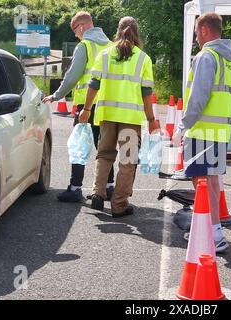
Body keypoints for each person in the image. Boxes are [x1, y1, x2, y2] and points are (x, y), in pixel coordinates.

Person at [79, 16, 159, 217]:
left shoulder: (105, 54)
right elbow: (146, 93)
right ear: (137, 33)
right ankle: (119, 205)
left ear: (117, 31)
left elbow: (94, 84)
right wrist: (151, 120)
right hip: (130, 119)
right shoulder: (143, 59)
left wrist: (86, 110)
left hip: (106, 114)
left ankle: (98, 192)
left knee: (104, 154)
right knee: (127, 160)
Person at [172, 13, 231, 252]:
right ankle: (213, 231)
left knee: (201, 182)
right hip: (220, 131)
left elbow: (198, 98)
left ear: (203, 31)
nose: (196, 38)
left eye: (196, 33)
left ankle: (211, 234)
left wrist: (182, 126)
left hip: (202, 130)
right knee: (210, 182)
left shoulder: (206, 57)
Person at [42, 11, 115, 202]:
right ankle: (108, 187)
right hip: (106, 104)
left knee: (79, 147)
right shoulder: (110, 46)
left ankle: (75, 188)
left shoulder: (85, 46)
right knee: (104, 146)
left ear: (82, 27)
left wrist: (57, 95)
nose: (75, 34)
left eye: (75, 30)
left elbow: (73, 75)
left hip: (86, 104)